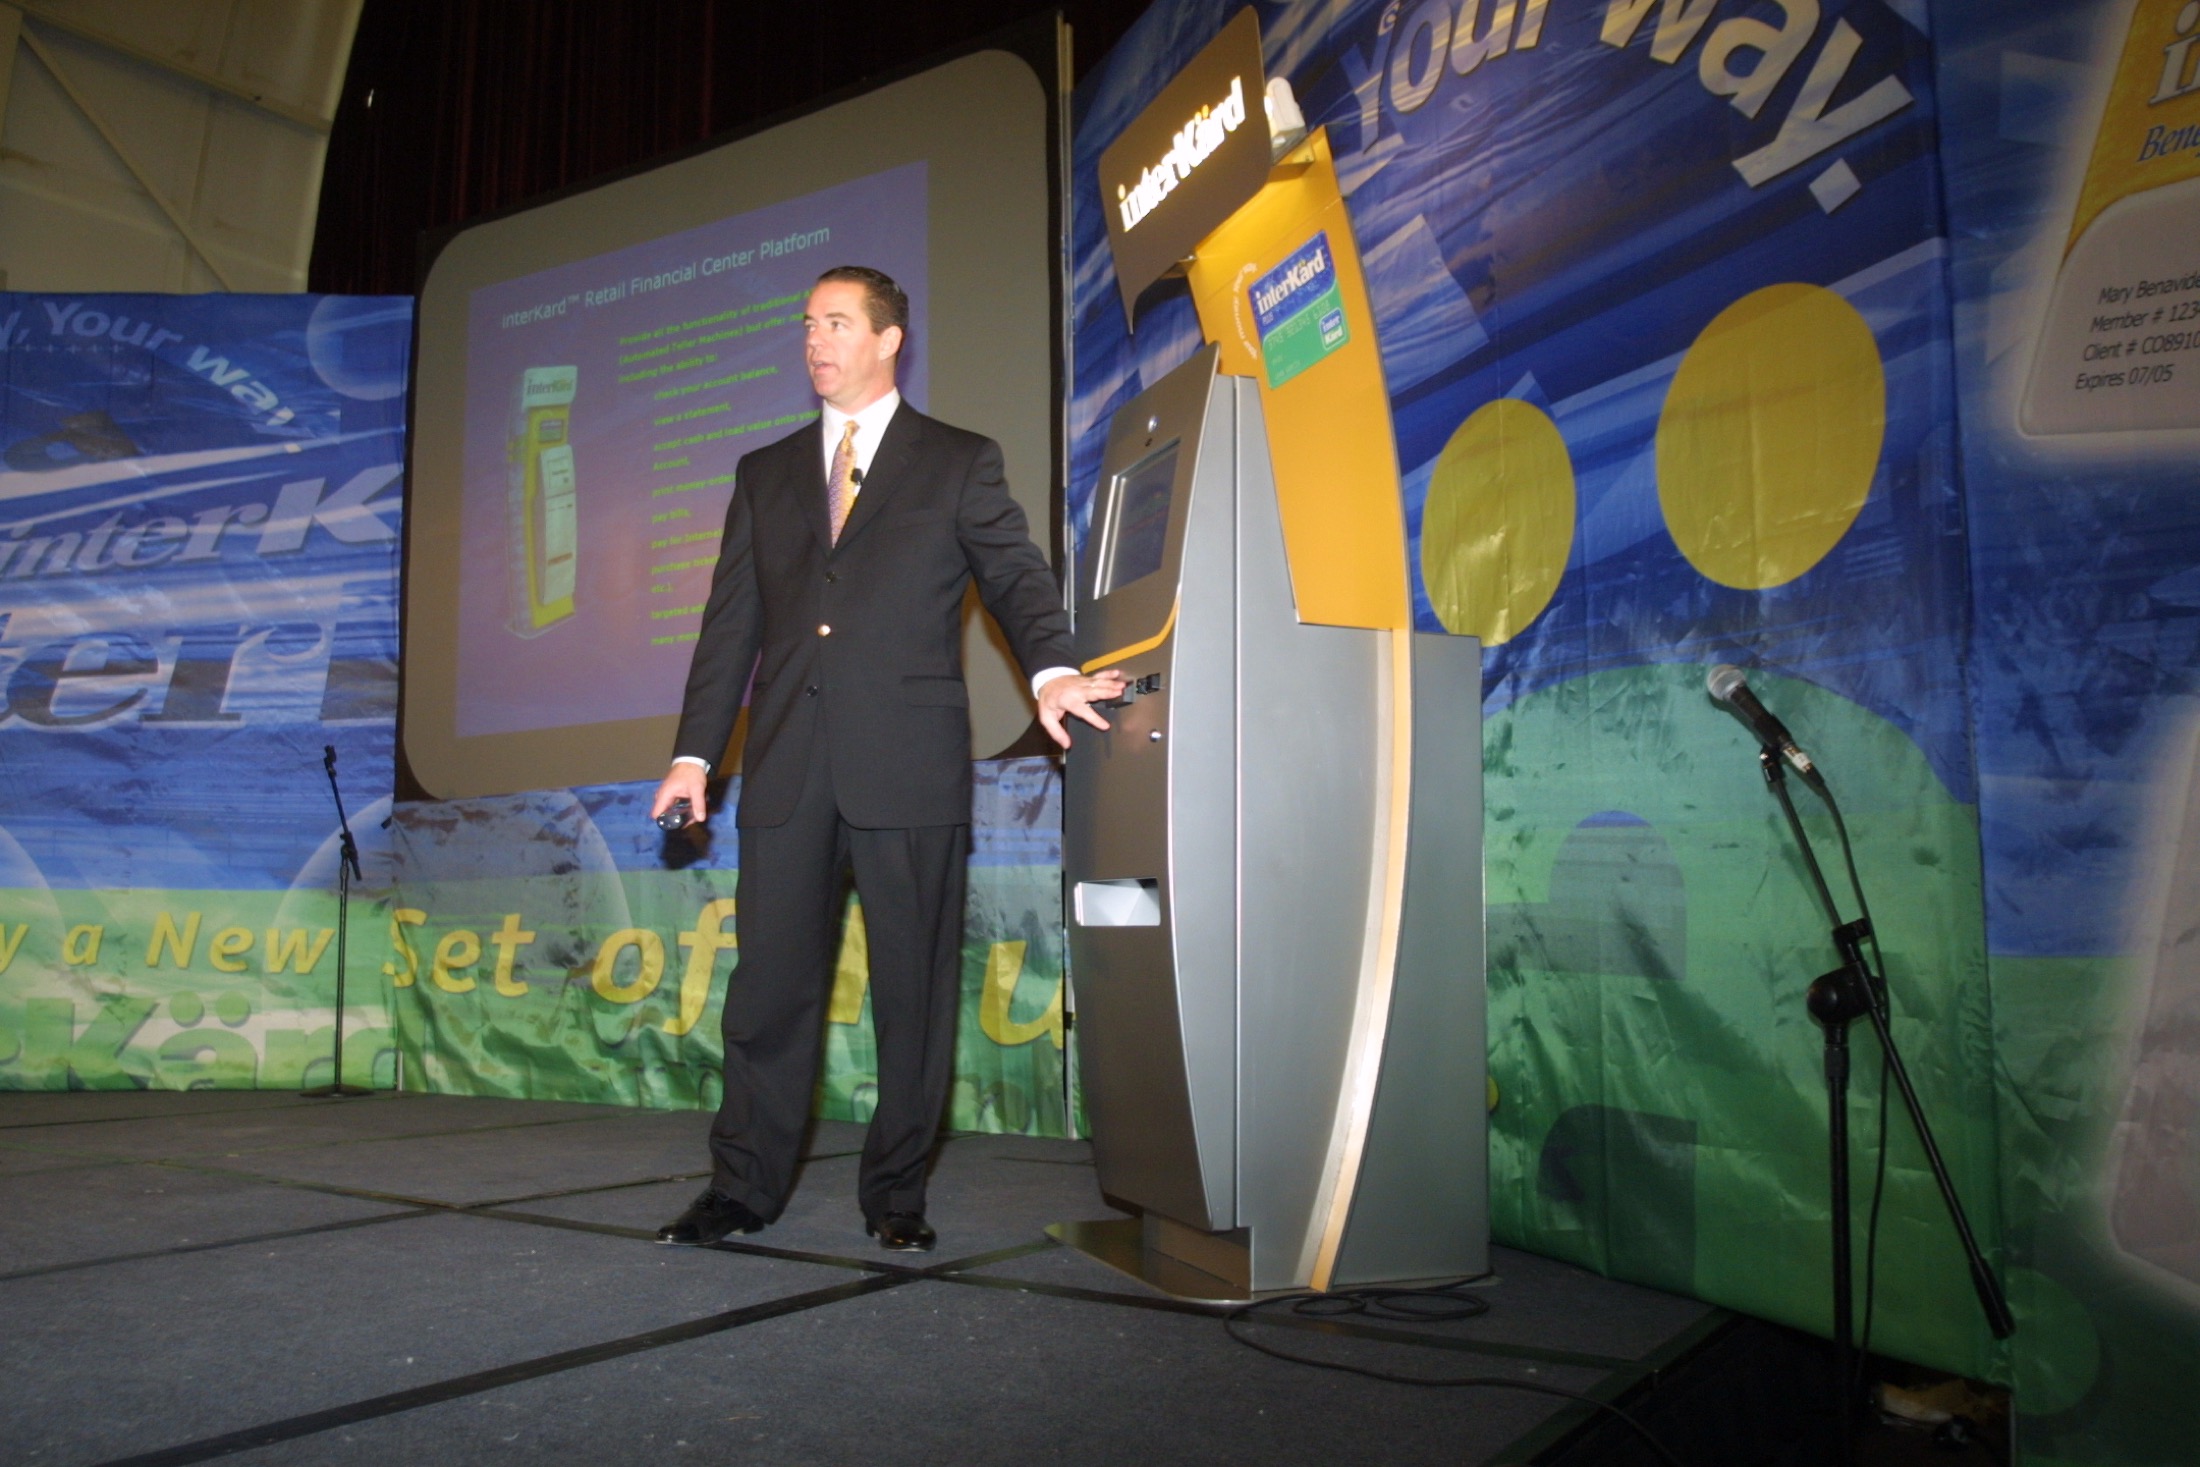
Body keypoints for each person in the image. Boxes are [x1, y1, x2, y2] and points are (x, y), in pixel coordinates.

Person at [651, 265, 1126, 1253]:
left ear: (887, 338)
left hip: (907, 764)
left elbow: (1015, 579)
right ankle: (741, 1187)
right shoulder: (764, 472)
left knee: (912, 993)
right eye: (806, 323)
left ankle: (896, 1193)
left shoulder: (956, 460)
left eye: (835, 322)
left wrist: (1051, 673)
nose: (814, 339)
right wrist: (694, 756)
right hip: (786, 769)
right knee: (766, 993)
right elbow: (728, 627)